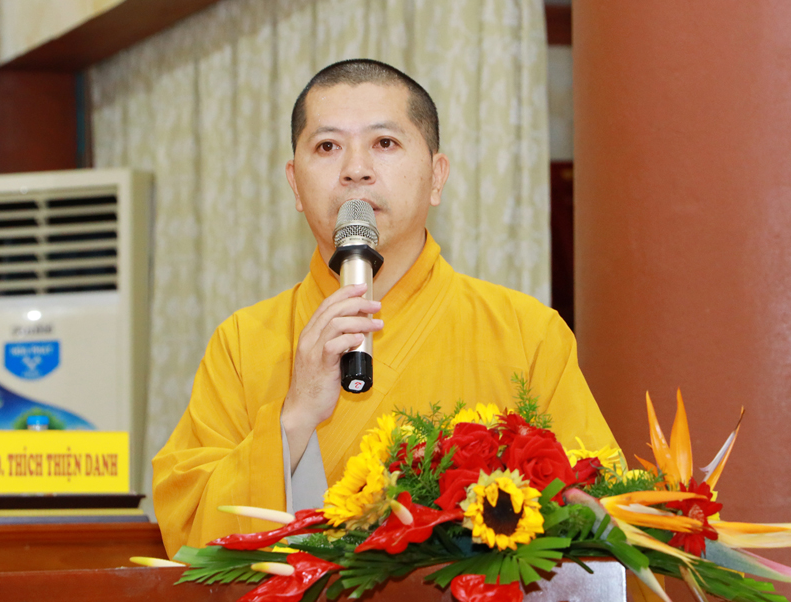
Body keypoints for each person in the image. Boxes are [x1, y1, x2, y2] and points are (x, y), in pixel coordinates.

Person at [152, 59, 618, 558]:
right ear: (294, 184)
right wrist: (294, 420)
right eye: (327, 146)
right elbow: (190, 526)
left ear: (437, 177)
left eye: (385, 143)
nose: (355, 169)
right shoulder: (243, 343)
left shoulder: (527, 334)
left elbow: (601, 515)